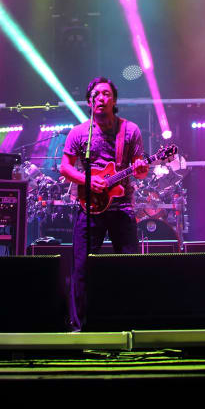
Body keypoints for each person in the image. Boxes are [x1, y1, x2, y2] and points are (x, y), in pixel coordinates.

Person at [58, 76, 148, 328]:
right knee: (82, 268)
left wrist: (141, 167)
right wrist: (87, 182)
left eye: (106, 94)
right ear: (89, 101)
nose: (101, 98)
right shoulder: (78, 133)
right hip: (89, 208)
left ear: (114, 100)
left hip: (122, 207)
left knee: (128, 266)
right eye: (96, 94)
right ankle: (81, 327)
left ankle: (129, 324)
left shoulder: (130, 131)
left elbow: (140, 171)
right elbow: (65, 167)